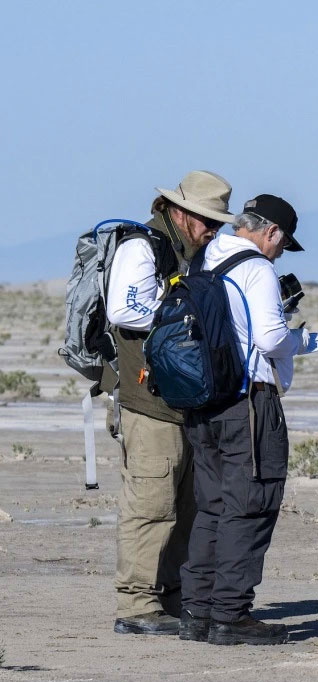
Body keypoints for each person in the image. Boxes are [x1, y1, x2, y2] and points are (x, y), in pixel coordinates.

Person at [103, 170, 234, 635]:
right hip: (148, 402)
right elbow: (125, 310)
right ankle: (137, 605)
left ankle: (172, 596)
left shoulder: (196, 254)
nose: (213, 230)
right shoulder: (143, 248)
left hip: (188, 400)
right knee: (151, 503)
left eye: (217, 222)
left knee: (189, 504)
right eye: (206, 220)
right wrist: (184, 309)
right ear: (179, 212)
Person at [177, 195, 308, 646]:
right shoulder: (257, 268)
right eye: (282, 243)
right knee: (250, 503)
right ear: (271, 232)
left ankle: (197, 612)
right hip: (248, 400)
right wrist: (304, 340)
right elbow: (271, 337)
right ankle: (230, 616)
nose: (278, 252)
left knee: (211, 504)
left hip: (202, 399)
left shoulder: (202, 258)